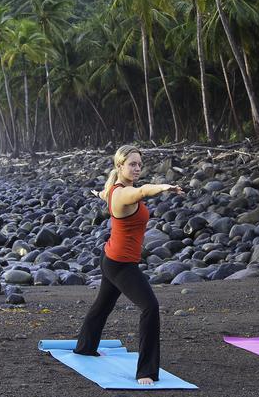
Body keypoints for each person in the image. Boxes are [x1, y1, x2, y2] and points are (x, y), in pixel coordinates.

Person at [73, 145, 182, 384]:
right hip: (120, 264)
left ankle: (85, 347)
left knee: (103, 305)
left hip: (111, 258)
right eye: (132, 164)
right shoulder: (124, 194)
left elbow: (106, 194)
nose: (137, 168)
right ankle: (146, 372)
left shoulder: (114, 189)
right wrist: (164, 187)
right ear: (120, 165)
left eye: (139, 165)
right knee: (150, 307)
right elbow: (143, 191)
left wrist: (98, 194)